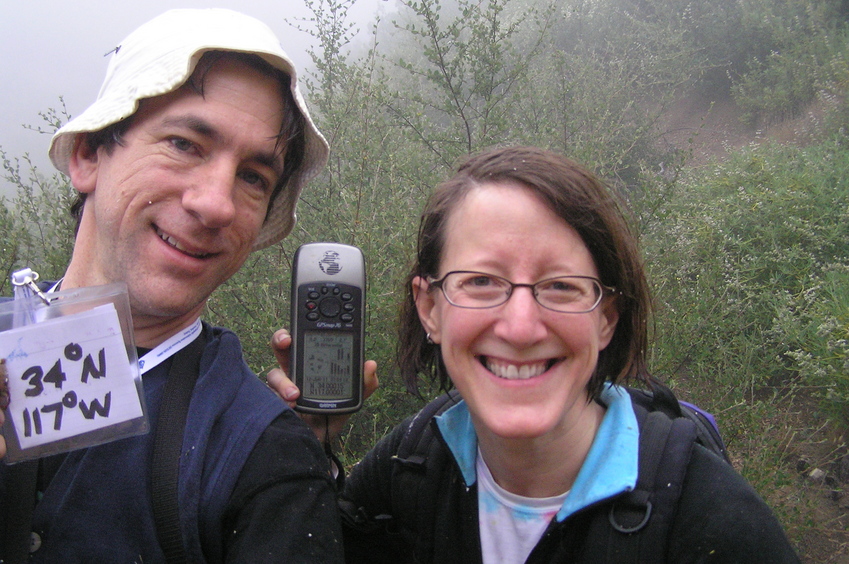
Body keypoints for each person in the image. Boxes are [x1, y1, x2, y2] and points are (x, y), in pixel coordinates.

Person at [272, 146, 800, 562]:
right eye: (480, 281)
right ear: (429, 307)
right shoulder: (408, 467)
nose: (521, 327)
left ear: (607, 319)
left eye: (562, 286)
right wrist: (308, 446)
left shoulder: (712, 524)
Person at [0, 9, 350, 563]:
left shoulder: (267, 460)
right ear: (90, 154)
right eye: (185, 144)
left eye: (254, 177)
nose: (216, 203)